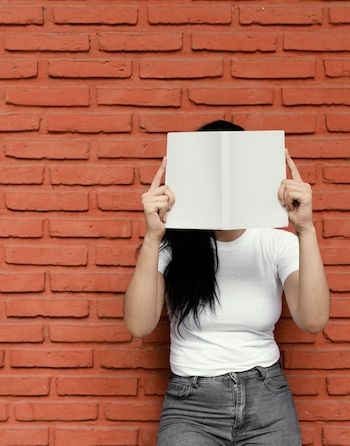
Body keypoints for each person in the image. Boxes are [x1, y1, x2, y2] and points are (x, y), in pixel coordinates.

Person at [124, 120, 330, 445]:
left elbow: (314, 320)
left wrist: (306, 230)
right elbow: (138, 325)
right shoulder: (172, 247)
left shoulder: (277, 243)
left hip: (267, 398)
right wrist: (152, 237)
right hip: (192, 404)